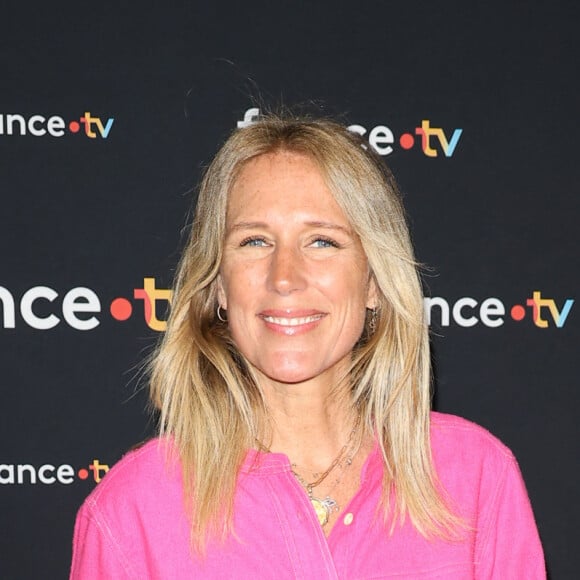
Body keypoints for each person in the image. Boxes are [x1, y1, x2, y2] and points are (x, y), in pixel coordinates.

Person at [70, 115, 545, 578]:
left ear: (374, 282)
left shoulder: (474, 477)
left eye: (321, 242)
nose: (284, 278)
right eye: (254, 241)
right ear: (217, 284)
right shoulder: (133, 511)